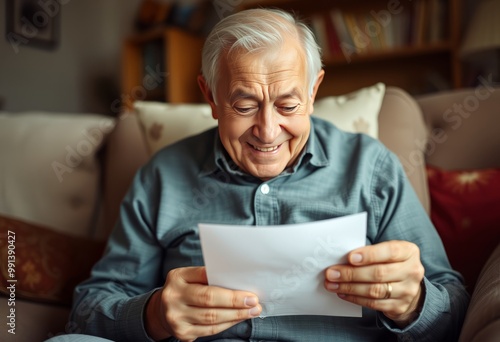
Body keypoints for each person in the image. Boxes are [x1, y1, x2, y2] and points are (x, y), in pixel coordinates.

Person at [57, 8, 469, 342]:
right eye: (244, 105)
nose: (268, 131)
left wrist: (413, 302)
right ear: (211, 97)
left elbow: (452, 307)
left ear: (313, 91)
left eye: (288, 106)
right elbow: (88, 310)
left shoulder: (372, 168)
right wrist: (154, 315)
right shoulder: (163, 176)